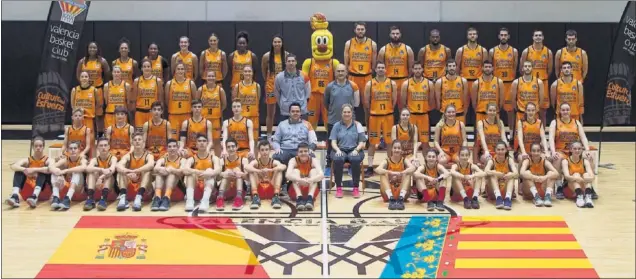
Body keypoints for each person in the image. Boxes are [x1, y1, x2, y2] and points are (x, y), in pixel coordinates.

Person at [548, 102, 594, 199]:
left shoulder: (576, 122)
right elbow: (551, 138)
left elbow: (583, 137)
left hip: (575, 151)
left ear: (570, 111)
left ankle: (590, 186)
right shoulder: (555, 122)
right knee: (557, 158)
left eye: (567, 109)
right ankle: (559, 186)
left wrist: (587, 150)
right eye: (563, 110)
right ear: (559, 111)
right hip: (561, 150)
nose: (565, 111)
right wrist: (553, 151)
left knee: (590, 157)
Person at [324, 64, 360, 175]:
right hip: (333, 120)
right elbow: (326, 103)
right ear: (335, 73)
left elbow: (357, 103)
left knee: (351, 143)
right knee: (331, 144)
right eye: (338, 71)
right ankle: (329, 166)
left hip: (349, 122)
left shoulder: (353, 86)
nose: (340, 73)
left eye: (342, 71)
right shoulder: (330, 86)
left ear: (346, 73)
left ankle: (351, 165)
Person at [364, 62, 397, 176]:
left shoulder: (391, 83)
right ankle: (369, 166)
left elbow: (394, 100)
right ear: (375, 69)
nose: (381, 69)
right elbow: (367, 102)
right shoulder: (370, 84)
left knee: (389, 142)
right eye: (379, 67)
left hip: (388, 115)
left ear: (385, 69)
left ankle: (390, 164)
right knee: (372, 142)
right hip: (375, 116)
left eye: (383, 67)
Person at [330, 104, 366, 198]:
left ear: (352, 113)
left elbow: (362, 142)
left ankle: (355, 188)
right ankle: (338, 188)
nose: (346, 114)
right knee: (337, 159)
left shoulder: (358, 125)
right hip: (340, 149)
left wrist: (356, 150)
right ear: (341, 113)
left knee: (354, 159)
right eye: (344, 112)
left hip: (355, 149)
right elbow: (333, 142)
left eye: (348, 112)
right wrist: (337, 150)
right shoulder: (336, 126)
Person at [6, 136, 52, 208]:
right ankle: (15, 196)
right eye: (36, 146)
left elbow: (51, 169)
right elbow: (13, 166)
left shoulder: (48, 159)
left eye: (40, 146)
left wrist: (34, 170)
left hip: (42, 189)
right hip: (29, 188)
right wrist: (24, 169)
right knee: (19, 171)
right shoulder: (27, 160)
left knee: (42, 172)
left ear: (43, 147)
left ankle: (35, 196)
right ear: (33, 147)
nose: (38, 148)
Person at [344, 22, 377, 121]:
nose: (360, 31)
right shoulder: (349, 43)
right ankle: (350, 129)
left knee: (367, 106)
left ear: (365, 30)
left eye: (362, 29)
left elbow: (374, 62)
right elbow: (346, 61)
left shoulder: (372, 44)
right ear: (355, 30)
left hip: (367, 77)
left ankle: (369, 129)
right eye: (358, 29)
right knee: (349, 105)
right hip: (353, 77)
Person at [401, 61, 435, 155]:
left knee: (425, 142)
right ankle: (408, 163)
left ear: (422, 69)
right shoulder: (406, 84)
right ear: (412, 70)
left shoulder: (429, 83)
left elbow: (431, 101)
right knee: (408, 142)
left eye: (419, 68)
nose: (417, 70)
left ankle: (427, 164)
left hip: (424, 116)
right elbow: (403, 102)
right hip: (411, 116)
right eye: (415, 69)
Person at [302, 44, 340, 131]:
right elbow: (303, 79)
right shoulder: (310, 62)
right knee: (311, 121)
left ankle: (330, 142)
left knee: (329, 121)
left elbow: (340, 77)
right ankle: (310, 141)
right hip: (313, 96)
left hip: (328, 96)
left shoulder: (333, 62)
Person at [77, 41, 110, 136]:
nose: (92, 49)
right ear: (87, 49)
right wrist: (84, 85)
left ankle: (100, 134)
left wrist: (103, 85)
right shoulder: (82, 61)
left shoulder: (102, 61)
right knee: (87, 113)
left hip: (98, 89)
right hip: (86, 90)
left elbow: (107, 74)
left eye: (94, 47)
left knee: (99, 113)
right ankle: (85, 133)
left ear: (97, 49)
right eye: (90, 47)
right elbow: (78, 75)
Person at [115, 133, 155, 211]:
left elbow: (151, 165)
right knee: (121, 172)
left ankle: (139, 197)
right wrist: (128, 172)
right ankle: (123, 197)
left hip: (145, 188)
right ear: (132, 143)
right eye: (135, 140)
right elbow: (118, 166)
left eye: (139, 140)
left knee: (147, 171)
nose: (137, 142)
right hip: (131, 184)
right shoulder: (128, 155)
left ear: (143, 142)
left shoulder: (149, 155)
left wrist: (136, 171)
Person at [520, 30, 553, 124]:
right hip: (529, 83)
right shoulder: (526, 51)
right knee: (527, 109)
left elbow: (549, 69)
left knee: (543, 110)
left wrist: (542, 78)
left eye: (540, 35)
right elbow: (521, 68)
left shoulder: (548, 52)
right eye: (536, 35)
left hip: (543, 81)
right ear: (533, 37)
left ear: (543, 37)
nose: (538, 37)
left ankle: (541, 131)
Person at [183, 134, 222, 212]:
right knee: (190, 173)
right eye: (199, 141)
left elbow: (218, 169)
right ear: (196, 144)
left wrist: (209, 173)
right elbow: (185, 170)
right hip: (196, 189)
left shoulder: (213, 158)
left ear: (207, 144)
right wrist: (195, 171)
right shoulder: (191, 158)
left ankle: (205, 201)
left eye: (204, 141)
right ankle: (190, 201)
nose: (202, 143)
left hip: (210, 190)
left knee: (210, 171)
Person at [490, 27, 519, 129]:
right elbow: (490, 67)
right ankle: (495, 131)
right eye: (501, 35)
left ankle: (511, 133)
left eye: (505, 35)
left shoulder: (514, 51)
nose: (503, 37)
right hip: (496, 84)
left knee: (510, 110)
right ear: (499, 36)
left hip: (509, 83)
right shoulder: (492, 51)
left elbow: (515, 68)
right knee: (494, 109)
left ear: (508, 36)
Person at [244, 140, 286, 209]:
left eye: (266, 150)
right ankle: (255, 197)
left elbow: (283, 166)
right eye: (262, 150)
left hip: (271, 189)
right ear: (259, 151)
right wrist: (259, 171)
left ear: (270, 151)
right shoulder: (256, 162)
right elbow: (246, 167)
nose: (264, 152)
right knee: (252, 170)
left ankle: (276, 196)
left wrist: (271, 170)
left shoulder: (273, 161)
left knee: (279, 170)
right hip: (258, 190)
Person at [375, 141, 416, 210]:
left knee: (407, 173)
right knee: (383, 173)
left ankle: (400, 199)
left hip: (402, 192)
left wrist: (402, 172)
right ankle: (391, 198)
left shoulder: (404, 160)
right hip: (388, 193)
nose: (397, 150)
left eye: (399, 148)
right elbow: (377, 169)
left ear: (401, 150)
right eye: (395, 148)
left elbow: (413, 168)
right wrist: (390, 172)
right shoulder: (387, 160)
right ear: (392, 149)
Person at [262, 34, 289, 138]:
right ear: (272, 43)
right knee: (270, 113)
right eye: (275, 42)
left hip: (283, 86)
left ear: (282, 44)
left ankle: (285, 134)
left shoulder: (286, 55)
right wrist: (270, 81)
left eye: (279, 42)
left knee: (285, 112)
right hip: (271, 86)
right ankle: (269, 136)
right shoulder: (266, 56)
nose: (277, 44)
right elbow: (264, 72)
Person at [378, 26, 414, 99]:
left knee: (403, 105)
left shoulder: (407, 49)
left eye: (397, 33)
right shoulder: (383, 50)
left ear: (400, 35)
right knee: (388, 105)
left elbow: (411, 68)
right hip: (388, 81)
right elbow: (379, 68)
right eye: (393, 33)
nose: (395, 35)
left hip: (403, 80)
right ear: (390, 35)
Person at [49, 141, 87, 210]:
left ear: (79, 150)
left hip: (79, 188)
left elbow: (83, 167)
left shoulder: (82, 159)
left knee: (76, 171)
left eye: (75, 148)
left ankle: (67, 199)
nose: (73, 150)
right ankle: (56, 197)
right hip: (67, 185)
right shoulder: (65, 160)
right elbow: (51, 167)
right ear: (67, 150)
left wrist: (66, 170)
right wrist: (59, 173)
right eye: (71, 148)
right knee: (54, 171)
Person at [286, 143, 324, 211]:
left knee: (314, 171)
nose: (303, 153)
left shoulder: (314, 160)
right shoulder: (293, 160)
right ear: (297, 153)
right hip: (295, 191)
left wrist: (311, 180)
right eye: (301, 151)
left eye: (305, 151)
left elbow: (322, 175)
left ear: (309, 152)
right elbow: (287, 175)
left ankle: (310, 198)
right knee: (295, 171)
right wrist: (299, 180)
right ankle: (299, 198)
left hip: (311, 189)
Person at [510, 61, 544, 137]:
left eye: (529, 66)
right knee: (519, 137)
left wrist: (534, 109)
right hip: (521, 113)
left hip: (534, 114)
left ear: (532, 68)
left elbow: (541, 100)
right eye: (525, 66)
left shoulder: (539, 82)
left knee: (533, 137)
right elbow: (513, 100)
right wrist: (519, 109)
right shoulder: (516, 82)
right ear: (522, 68)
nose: (527, 68)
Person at [151, 139, 185, 211]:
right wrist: (164, 169)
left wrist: (172, 170)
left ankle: (167, 197)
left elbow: (182, 171)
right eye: (170, 147)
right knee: (159, 173)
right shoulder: (163, 159)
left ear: (177, 148)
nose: (172, 148)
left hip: (177, 187)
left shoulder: (182, 160)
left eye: (174, 146)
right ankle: (157, 197)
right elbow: (155, 168)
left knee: (172, 174)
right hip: (162, 186)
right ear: (167, 149)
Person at [84, 137, 117, 211]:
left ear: (109, 147)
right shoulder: (94, 159)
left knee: (109, 175)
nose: (103, 147)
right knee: (91, 173)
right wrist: (101, 169)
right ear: (97, 147)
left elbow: (112, 169)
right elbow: (88, 168)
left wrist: (101, 177)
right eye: (101, 146)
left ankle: (103, 200)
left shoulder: (113, 158)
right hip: (96, 185)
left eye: (105, 145)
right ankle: (90, 199)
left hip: (110, 185)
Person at [165, 62, 198, 136]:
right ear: (175, 71)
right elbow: (167, 101)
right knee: (173, 140)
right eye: (178, 69)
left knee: (187, 139)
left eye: (182, 69)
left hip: (187, 115)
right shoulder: (169, 84)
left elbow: (195, 101)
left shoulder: (191, 83)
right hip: (173, 116)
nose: (180, 71)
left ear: (185, 71)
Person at [199, 71, 227, 156]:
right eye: (209, 76)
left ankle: (218, 160)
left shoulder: (220, 90)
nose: (210, 78)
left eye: (212, 76)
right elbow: (196, 103)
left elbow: (224, 104)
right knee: (202, 141)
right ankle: (202, 159)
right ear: (206, 77)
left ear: (215, 78)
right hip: (204, 119)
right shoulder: (201, 89)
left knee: (216, 141)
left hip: (215, 119)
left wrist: (217, 111)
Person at [131, 59, 164, 131]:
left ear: (151, 68)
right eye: (144, 66)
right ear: (142, 68)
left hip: (152, 112)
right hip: (140, 112)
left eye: (148, 66)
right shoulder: (137, 81)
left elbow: (160, 99)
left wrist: (160, 112)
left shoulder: (157, 81)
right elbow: (133, 99)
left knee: (152, 133)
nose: (146, 68)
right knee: (139, 135)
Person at [217, 138, 249, 211]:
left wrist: (240, 173)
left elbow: (248, 178)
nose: (231, 149)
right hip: (227, 189)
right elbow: (217, 178)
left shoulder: (243, 160)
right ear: (226, 148)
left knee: (238, 173)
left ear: (237, 147)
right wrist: (224, 174)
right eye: (228, 147)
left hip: (240, 188)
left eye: (233, 146)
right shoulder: (222, 160)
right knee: (226, 174)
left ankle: (238, 198)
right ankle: (220, 198)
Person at [483, 141, 517, 210]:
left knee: (511, 174)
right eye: (498, 149)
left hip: (505, 189)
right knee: (492, 173)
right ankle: (498, 197)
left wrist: (509, 175)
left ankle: (508, 198)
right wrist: (496, 173)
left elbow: (516, 173)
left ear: (506, 150)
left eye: (502, 149)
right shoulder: (492, 161)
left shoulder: (509, 160)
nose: (500, 151)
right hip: (493, 192)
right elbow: (485, 171)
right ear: (495, 150)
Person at [561, 141, 595, 208]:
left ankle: (588, 197)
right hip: (570, 189)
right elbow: (567, 177)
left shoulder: (585, 161)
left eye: (579, 149)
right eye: (575, 149)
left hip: (583, 186)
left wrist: (583, 179)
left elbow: (592, 177)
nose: (577, 150)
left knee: (586, 174)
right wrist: (577, 178)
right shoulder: (565, 161)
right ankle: (579, 197)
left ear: (582, 149)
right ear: (571, 150)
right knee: (576, 174)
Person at [232, 66, 261, 142]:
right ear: (243, 73)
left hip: (254, 117)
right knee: (241, 141)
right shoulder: (237, 86)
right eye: (245, 71)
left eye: (249, 71)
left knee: (254, 141)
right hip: (242, 118)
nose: (247, 73)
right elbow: (234, 103)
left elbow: (258, 99)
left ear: (252, 73)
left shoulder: (257, 86)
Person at [435, 59, 469, 123]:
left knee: (460, 132)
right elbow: (438, 100)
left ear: (456, 67)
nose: (452, 68)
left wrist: (465, 111)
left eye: (453, 66)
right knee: (445, 133)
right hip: (445, 113)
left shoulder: (463, 81)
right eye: (450, 66)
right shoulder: (440, 82)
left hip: (459, 112)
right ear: (446, 68)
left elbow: (466, 99)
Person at [456, 27, 489, 92]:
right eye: (470, 34)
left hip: (478, 81)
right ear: (467, 36)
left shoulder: (483, 51)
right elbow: (457, 67)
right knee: (465, 102)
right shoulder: (461, 50)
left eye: (474, 34)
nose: (472, 35)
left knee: (477, 102)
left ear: (477, 36)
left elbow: (485, 68)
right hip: (464, 81)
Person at [71, 71, 98, 136]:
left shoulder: (94, 90)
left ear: (89, 78)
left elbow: (97, 104)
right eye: (82, 77)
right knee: (77, 140)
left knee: (91, 141)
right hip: (78, 119)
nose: (84, 78)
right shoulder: (75, 90)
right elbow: (72, 105)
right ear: (79, 78)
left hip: (89, 119)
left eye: (86, 76)